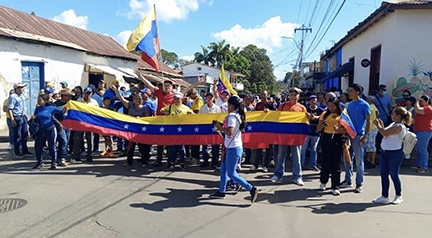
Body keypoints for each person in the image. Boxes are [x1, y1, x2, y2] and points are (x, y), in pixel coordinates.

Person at [209, 96, 259, 204]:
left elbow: (230, 132)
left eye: (228, 105)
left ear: (232, 105)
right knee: (223, 170)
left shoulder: (232, 116)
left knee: (231, 173)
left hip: (233, 148)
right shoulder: (238, 115)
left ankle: (251, 189)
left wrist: (220, 127)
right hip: (232, 147)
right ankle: (221, 191)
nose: (227, 107)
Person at [372, 107, 411, 205]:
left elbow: (384, 132)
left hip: (394, 153)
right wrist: (381, 125)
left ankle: (398, 195)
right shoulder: (393, 124)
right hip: (385, 152)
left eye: (393, 114)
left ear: (398, 116)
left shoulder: (400, 126)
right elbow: (385, 131)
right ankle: (384, 196)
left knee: (394, 174)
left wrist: (378, 126)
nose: (391, 115)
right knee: (383, 174)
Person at [270, 87, 307, 186]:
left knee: (297, 157)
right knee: (281, 156)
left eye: (295, 95)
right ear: (289, 96)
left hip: (295, 136)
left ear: (298, 96)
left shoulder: (302, 108)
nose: (293, 96)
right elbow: (276, 118)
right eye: (291, 94)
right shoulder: (282, 106)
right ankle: (278, 175)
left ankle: (297, 176)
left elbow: (304, 121)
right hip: (284, 135)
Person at [112, 86, 151, 167]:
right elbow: (122, 99)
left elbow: (148, 119)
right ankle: (129, 161)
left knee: (142, 146)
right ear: (133, 100)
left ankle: (144, 162)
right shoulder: (130, 105)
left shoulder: (144, 108)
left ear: (141, 100)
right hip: (131, 129)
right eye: (136, 99)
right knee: (130, 146)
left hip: (140, 130)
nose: (137, 100)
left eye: (139, 99)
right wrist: (116, 90)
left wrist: (140, 119)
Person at [342, 83, 371, 193]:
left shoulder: (364, 104)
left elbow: (368, 121)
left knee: (359, 160)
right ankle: (348, 180)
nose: (349, 93)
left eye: (351, 91)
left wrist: (365, 136)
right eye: (348, 91)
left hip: (358, 135)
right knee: (347, 158)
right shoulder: (349, 105)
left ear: (357, 92)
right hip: (348, 134)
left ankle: (359, 183)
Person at [317, 97, 346, 195]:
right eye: (329, 106)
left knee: (336, 163)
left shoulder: (342, 115)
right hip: (326, 138)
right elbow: (318, 128)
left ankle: (335, 186)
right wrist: (322, 125)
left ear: (337, 106)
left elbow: (346, 130)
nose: (331, 108)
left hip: (337, 139)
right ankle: (323, 182)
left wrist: (338, 129)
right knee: (326, 161)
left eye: (333, 106)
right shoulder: (324, 114)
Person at [161, 92, 194, 170]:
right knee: (172, 148)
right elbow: (162, 109)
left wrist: (190, 114)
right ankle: (172, 163)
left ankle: (182, 163)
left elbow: (192, 115)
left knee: (181, 148)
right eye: (175, 98)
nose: (176, 100)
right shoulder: (170, 107)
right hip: (172, 130)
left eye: (178, 99)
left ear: (181, 99)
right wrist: (165, 112)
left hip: (181, 131)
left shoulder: (185, 108)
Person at [32, 94, 64, 170]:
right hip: (41, 130)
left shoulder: (51, 108)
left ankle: (53, 163)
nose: (38, 102)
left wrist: (69, 105)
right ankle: (39, 162)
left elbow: (61, 112)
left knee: (52, 146)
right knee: (38, 146)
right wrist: (34, 118)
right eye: (38, 100)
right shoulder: (38, 108)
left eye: (40, 100)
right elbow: (36, 118)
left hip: (50, 129)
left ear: (45, 101)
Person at [71, 87, 99, 163]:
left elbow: (97, 113)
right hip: (80, 123)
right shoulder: (79, 101)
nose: (88, 95)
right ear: (84, 93)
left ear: (92, 94)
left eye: (89, 93)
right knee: (77, 139)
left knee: (90, 140)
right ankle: (76, 156)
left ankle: (89, 156)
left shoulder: (94, 102)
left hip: (90, 123)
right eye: (86, 93)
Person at [7, 82, 33, 158]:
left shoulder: (22, 96)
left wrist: (25, 115)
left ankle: (25, 150)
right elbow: (10, 108)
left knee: (25, 133)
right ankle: (17, 151)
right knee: (17, 134)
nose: (22, 89)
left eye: (22, 87)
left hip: (22, 116)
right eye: (20, 87)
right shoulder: (13, 97)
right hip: (16, 116)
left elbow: (23, 107)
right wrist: (12, 119)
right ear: (16, 89)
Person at [301, 95, 324, 172]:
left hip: (316, 131)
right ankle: (301, 164)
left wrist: (316, 117)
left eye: (314, 100)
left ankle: (312, 165)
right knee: (304, 148)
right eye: (311, 100)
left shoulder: (320, 110)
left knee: (314, 148)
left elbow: (323, 117)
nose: (313, 101)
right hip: (307, 131)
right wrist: (308, 116)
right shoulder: (306, 109)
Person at [199, 92, 222, 168]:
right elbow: (199, 118)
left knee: (215, 146)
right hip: (205, 128)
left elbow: (219, 119)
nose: (209, 99)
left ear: (213, 98)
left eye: (211, 97)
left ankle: (214, 162)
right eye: (208, 97)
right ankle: (205, 161)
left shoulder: (217, 108)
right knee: (204, 146)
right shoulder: (202, 108)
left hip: (214, 129)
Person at [54, 89, 74, 166]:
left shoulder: (71, 104)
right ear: (64, 96)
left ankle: (60, 156)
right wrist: (58, 123)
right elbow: (53, 115)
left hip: (68, 125)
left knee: (66, 141)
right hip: (59, 125)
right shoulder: (56, 104)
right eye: (68, 96)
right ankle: (62, 157)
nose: (70, 97)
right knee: (63, 140)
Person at [413, 95, 432, 173]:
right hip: (418, 130)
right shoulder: (422, 108)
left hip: (424, 131)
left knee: (422, 149)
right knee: (419, 149)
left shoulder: (428, 108)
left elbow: (417, 110)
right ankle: (419, 165)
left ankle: (424, 167)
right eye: (419, 101)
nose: (419, 103)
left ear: (427, 102)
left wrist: (417, 101)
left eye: (421, 101)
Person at [365, 96, 379, 169]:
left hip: (371, 127)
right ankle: (369, 159)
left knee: (371, 145)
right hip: (373, 127)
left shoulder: (370, 107)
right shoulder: (375, 107)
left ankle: (372, 161)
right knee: (369, 145)